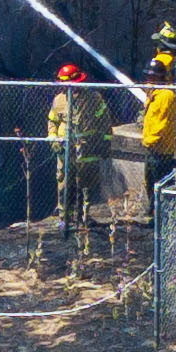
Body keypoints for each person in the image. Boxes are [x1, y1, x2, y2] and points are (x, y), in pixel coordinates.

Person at [45, 63, 112, 230]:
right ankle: (64, 217)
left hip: (87, 149)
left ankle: (84, 216)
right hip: (65, 151)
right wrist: (53, 139)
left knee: (86, 186)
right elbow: (52, 121)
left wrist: (105, 144)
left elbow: (104, 122)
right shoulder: (59, 100)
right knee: (64, 184)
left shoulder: (94, 99)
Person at [139, 48, 176, 201]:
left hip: (161, 150)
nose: (148, 81)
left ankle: (166, 216)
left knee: (162, 184)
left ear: (159, 77)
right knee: (150, 182)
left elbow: (161, 123)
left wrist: (149, 141)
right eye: (147, 77)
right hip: (152, 149)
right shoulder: (155, 95)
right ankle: (153, 215)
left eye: (151, 77)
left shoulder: (166, 95)